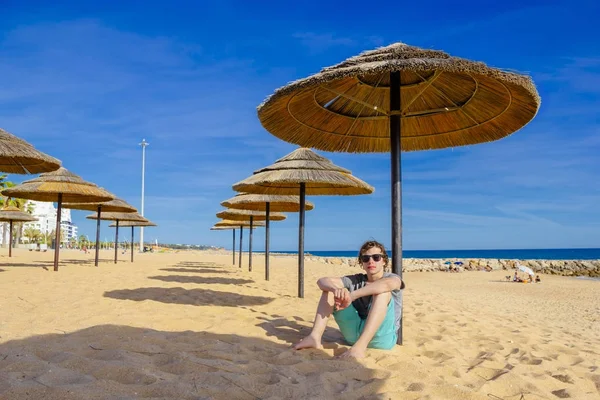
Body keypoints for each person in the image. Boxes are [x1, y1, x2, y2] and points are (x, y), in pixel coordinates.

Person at [293, 240, 405, 359]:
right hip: (353, 336)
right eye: (366, 258)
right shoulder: (356, 280)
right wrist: (336, 290)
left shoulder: (392, 278)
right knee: (331, 290)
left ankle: (360, 347)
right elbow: (322, 281)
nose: (371, 261)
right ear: (362, 262)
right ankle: (314, 337)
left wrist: (352, 296)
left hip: (382, 338)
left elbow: (386, 285)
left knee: (382, 293)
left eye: (376, 257)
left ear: (384, 261)